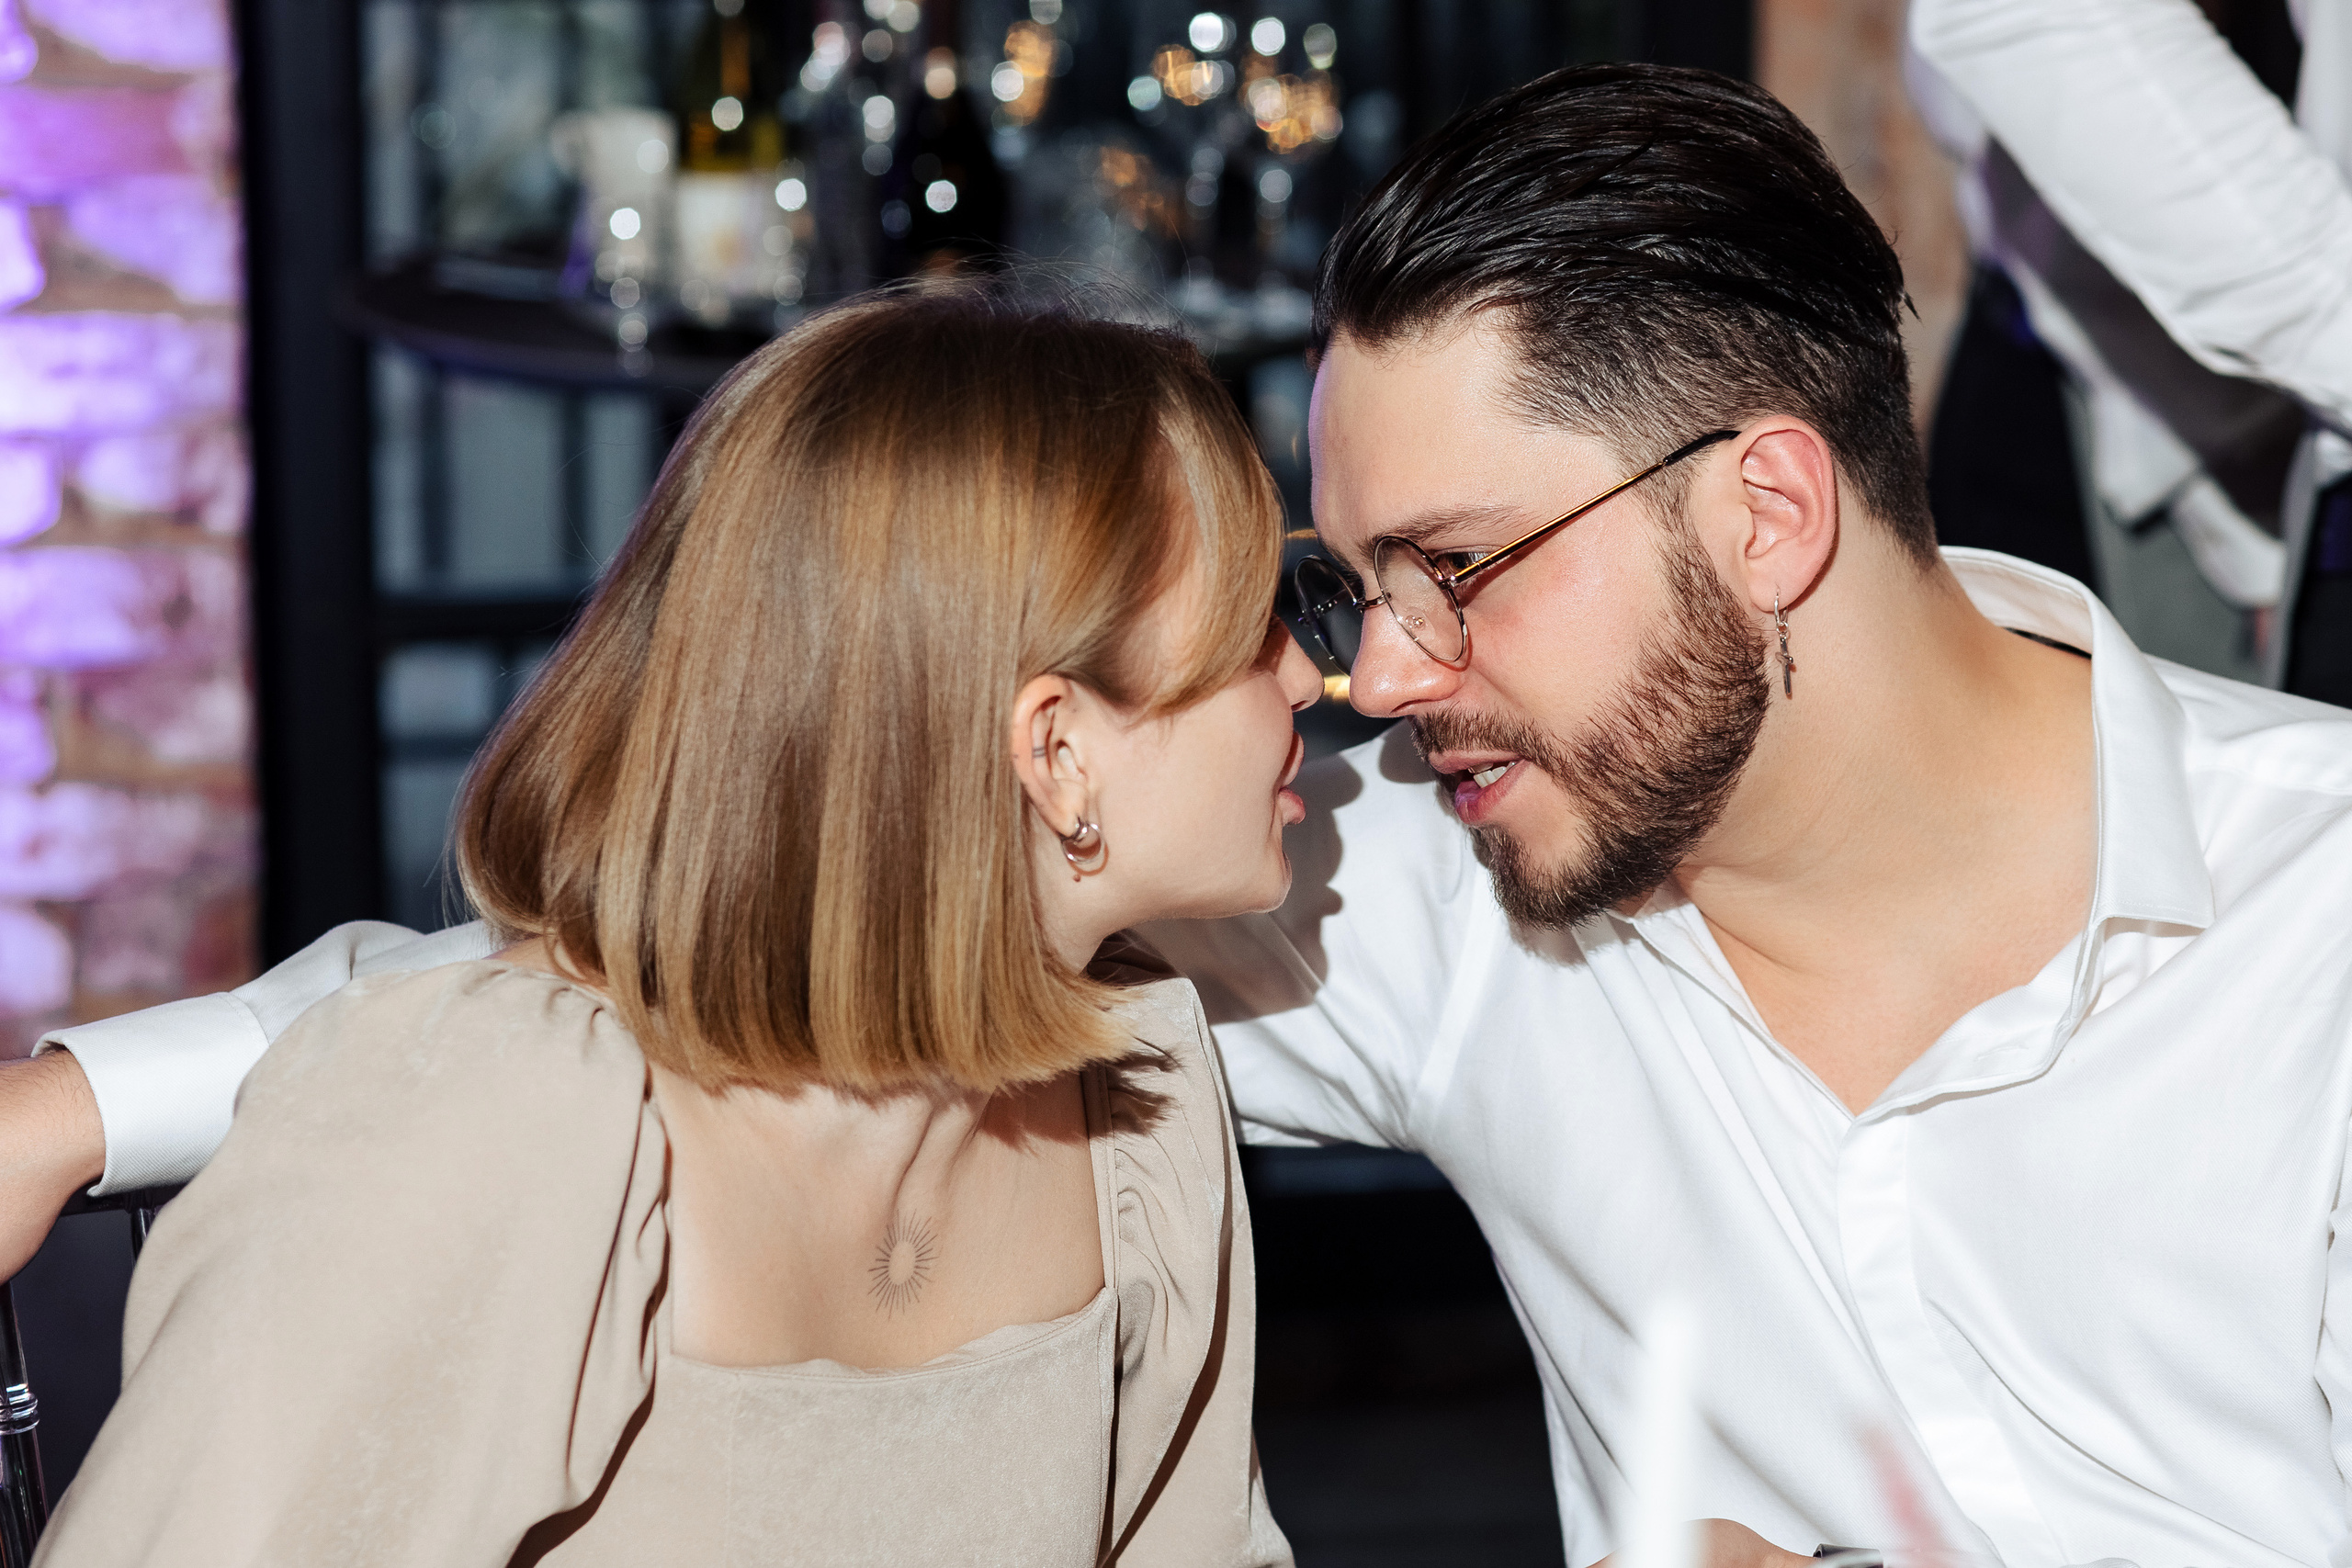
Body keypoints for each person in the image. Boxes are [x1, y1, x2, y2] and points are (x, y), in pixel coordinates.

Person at [13, 61, 2352, 1568]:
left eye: (1456, 569)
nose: (1374, 676)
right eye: (1338, 587)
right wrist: (86, 1095)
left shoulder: (2315, 928)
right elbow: (751, 950)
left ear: (1759, 511)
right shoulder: (1440, 894)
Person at [21, 287, 1314, 1566]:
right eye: (1251, 628)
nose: (1312, 673)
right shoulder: (506, 1130)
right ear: (1057, 752)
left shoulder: (1137, 1107)